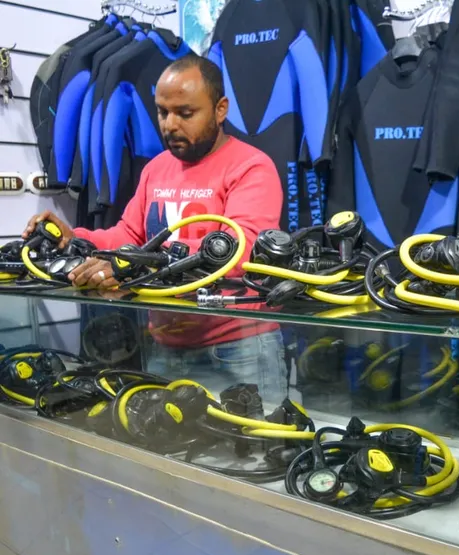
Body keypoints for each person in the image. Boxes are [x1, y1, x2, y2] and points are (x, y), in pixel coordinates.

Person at [23, 54, 288, 404]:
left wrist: (136, 264)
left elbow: (238, 253)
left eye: (185, 113)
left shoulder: (252, 167)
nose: (170, 125)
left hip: (236, 350)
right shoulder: (157, 169)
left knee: (250, 458)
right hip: (164, 347)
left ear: (220, 109)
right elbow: (128, 236)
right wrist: (76, 239)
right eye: (162, 112)